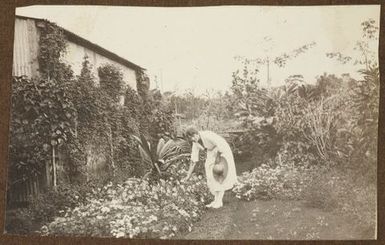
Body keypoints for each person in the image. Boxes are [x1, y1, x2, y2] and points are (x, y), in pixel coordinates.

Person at [182, 127, 237, 208]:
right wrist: (188, 175)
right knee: (209, 174)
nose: (193, 140)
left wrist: (218, 160)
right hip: (211, 151)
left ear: (196, 134)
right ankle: (215, 200)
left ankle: (219, 201)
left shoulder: (207, 135)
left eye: (193, 137)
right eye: (191, 139)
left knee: (218, 173)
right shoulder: (195, 143)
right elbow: (193, 160)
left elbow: (220, 144)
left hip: (222, 150)